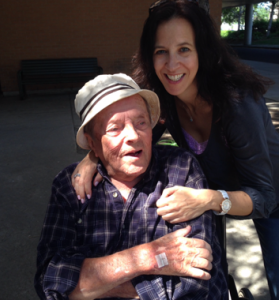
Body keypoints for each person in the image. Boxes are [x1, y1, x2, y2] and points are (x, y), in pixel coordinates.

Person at [71, 1, 279, 299]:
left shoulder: (238, 105)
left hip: (270, 196)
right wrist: (92, 156)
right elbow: (135, 140)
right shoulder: (165, 97)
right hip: (218, 194)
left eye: (184, 49)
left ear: (202, 51)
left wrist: (208, 199)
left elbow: (264, 198)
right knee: (213, 271)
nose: (171, 65)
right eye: (161, 52)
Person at [35, 73, 228, 300]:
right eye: (115, 128)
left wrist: (91, 286)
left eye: (141, 123)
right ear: (92, 143)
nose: (133, 136)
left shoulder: (180, 168)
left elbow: (194, 281)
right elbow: (51, 282)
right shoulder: (68, 186)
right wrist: (149, 258)